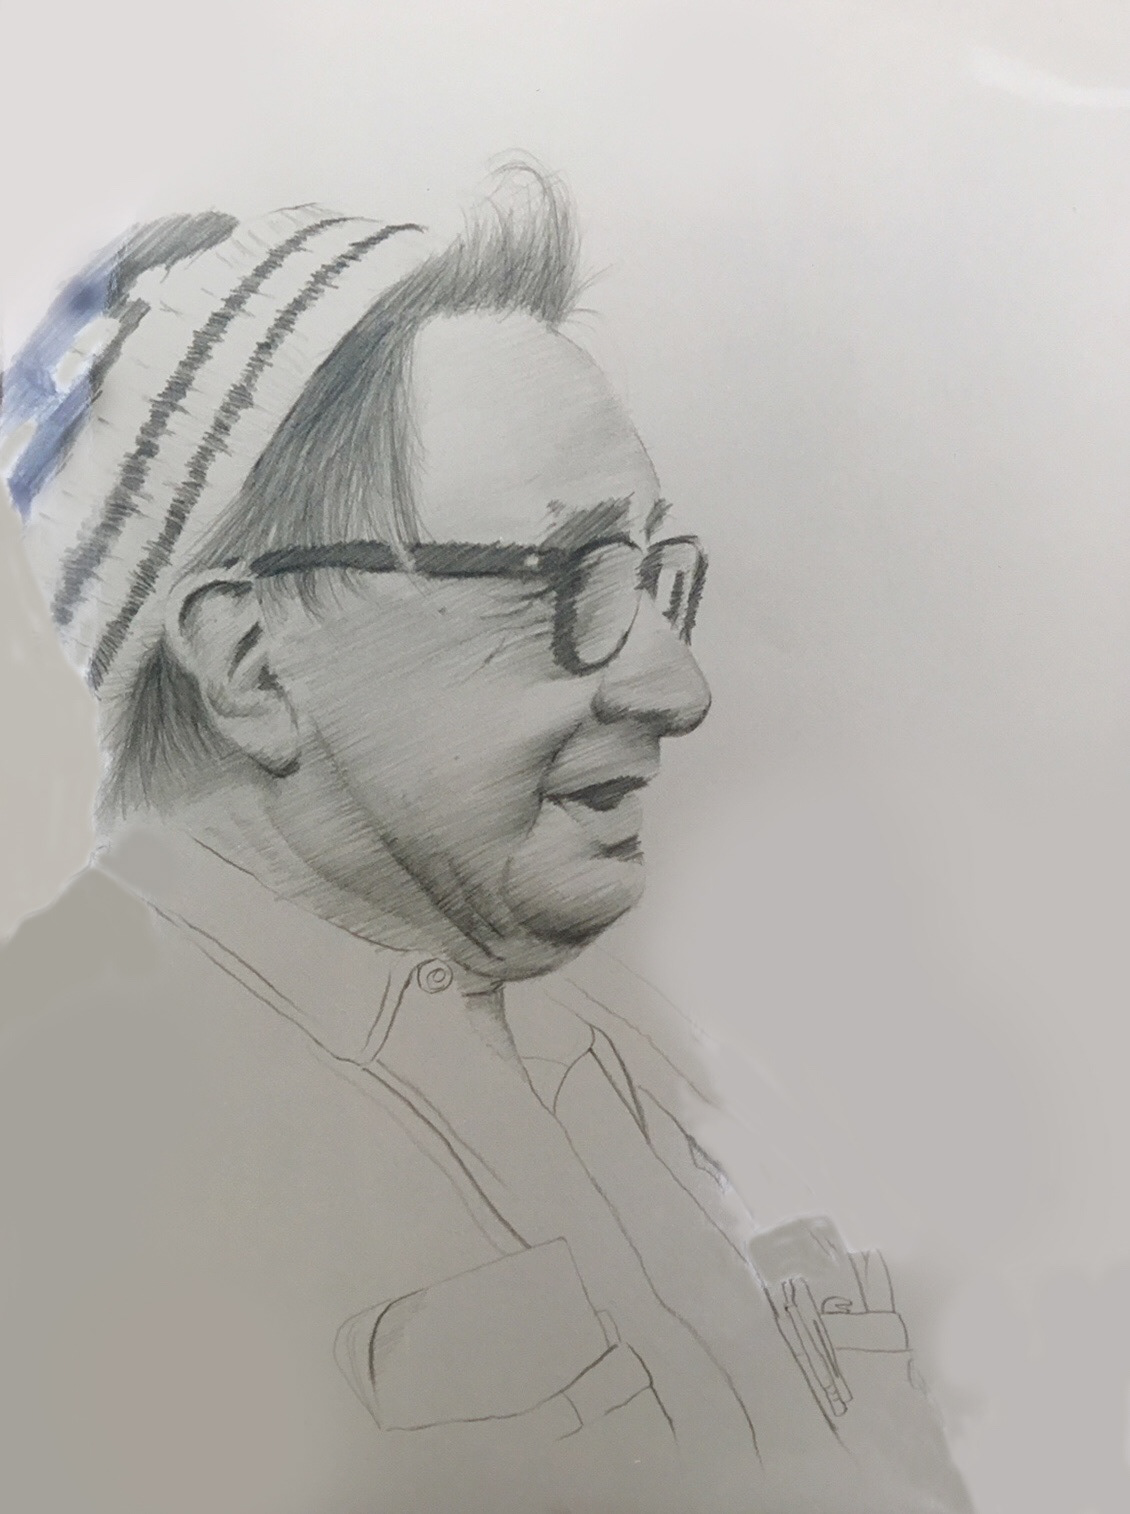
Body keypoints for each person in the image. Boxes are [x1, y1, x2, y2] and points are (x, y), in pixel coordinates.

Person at [0, 167, 973, 1512]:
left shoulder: (579, 1058)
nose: (676, 686)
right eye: (569, 579)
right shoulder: (60, 1136)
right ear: (251, 664)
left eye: (650, 577)